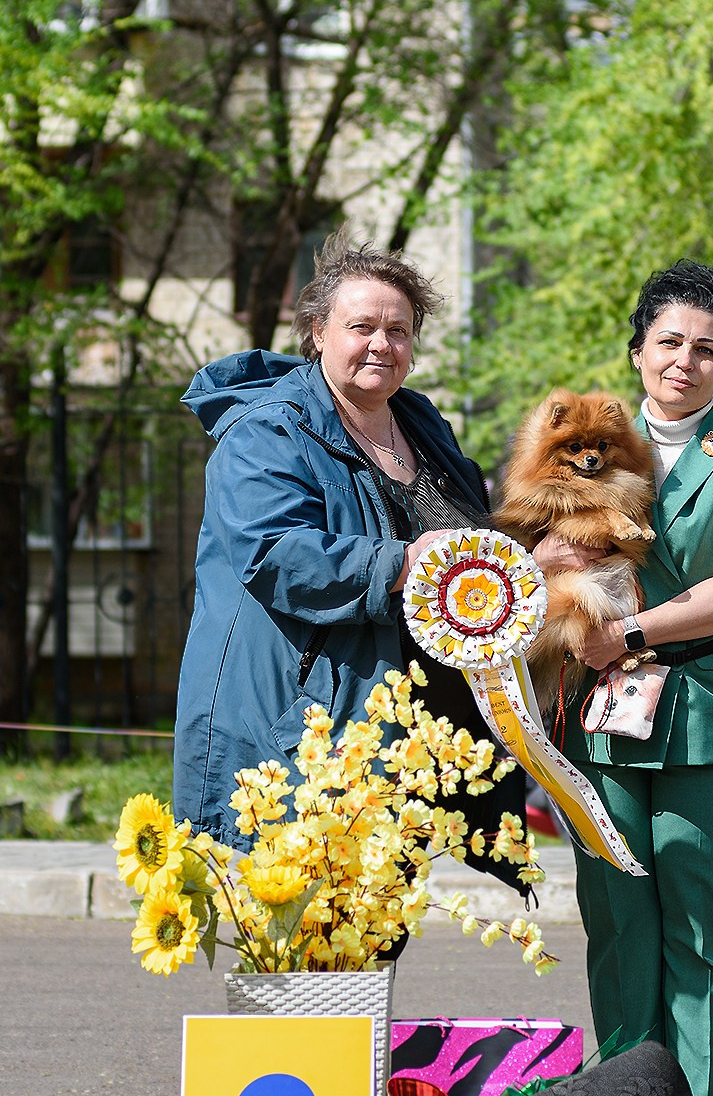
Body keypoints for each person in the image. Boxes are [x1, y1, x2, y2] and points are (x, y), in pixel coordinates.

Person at [532, 259, 713, 1096]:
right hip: (599, 719)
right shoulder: (590, 442)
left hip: (707, 712)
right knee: (614, 915)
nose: (685, 360)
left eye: (708, 349)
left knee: (696, 921)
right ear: (638, 348)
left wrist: (624, 634)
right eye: (670, 340)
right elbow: (527, 545)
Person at [172, 232, 524, 872]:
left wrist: (534, 560)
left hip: (414, 728)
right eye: (362, 326)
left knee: (378, 934)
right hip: (302, 726)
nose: (382, 345)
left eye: (399, 330)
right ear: (316, 331)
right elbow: (275, 553)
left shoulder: (420, 421)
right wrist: (402, 565)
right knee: (302, 945)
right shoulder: (266, 430)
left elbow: (473, 535)